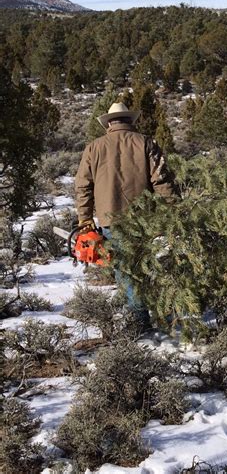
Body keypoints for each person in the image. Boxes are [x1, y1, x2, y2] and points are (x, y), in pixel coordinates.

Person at [75, 102, 177, 330]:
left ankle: (139, 323)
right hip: (146, 220)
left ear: (109, 123)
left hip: (112, 221)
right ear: (130, 121)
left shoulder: (94, 147)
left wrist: (85, 219)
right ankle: (167, 319)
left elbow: (83, 187)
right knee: (156, 268)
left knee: (127, 272)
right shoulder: (146, 143)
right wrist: (173, 212)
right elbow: (162, 182)